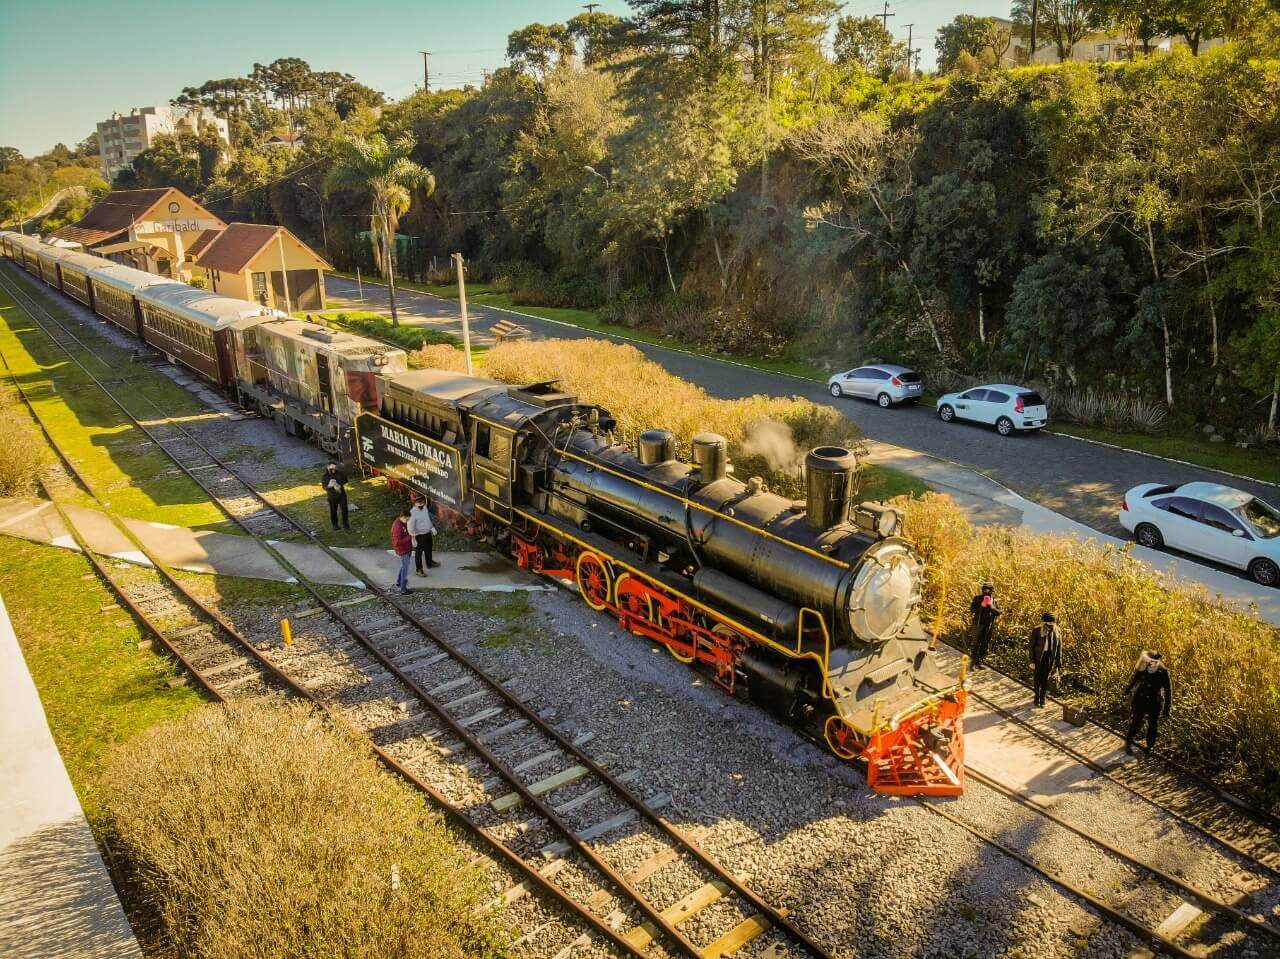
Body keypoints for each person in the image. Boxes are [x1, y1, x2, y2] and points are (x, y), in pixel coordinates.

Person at [1125, 650, 1172, 754]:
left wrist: (1167, 709)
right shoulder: (1144, 668)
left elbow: (1168, 691)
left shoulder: (1163, 672)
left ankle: (1150, 746)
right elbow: (1134, 679)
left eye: (1152, 661)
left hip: (1154, 702)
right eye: (1148, 661)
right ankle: (1128, 741)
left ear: (1157, 661)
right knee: (1136, 722)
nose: (1150, 663)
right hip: (1140, 699)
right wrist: (1127, 690)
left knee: (1152, 725)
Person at [1028, 612, 1062, 708]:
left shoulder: (1057, 631)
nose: (1050, 625)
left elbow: (1059, 647)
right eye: (1048, 623)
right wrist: (1031, 661)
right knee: (1037, 678)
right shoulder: (1037, 630)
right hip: (1039, 657)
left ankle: (1042, 698)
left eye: (1052, 623)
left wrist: (1059, 662)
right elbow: (1031, 646)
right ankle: (1036, 696)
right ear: (1044, 622)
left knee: (1045, 679)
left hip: (1049, 657)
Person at [968, 582, 1001, 669]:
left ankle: (979, 662)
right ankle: (972, 663)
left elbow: (999, 612)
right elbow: (972, 609)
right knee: (975, 644)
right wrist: (981, 606)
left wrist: (991, 606)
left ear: (991, 591)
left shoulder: (994, 601)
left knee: (984, 645)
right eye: (985, 589)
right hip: (979, 625)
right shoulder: (978, 599)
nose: (986, 591)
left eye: (988, 590)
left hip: (988, 626)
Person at [408, 495, 440, 575]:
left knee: (428, 549)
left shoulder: (424, 508)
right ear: (415, 503)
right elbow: (410, 527)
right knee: (418, 553)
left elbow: (427, 519)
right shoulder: (412, 513)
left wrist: (432, 527)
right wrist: (413, 538)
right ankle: (419, 569)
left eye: (422, 502)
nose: (421, 504)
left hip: (427, 533)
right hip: (419, 536)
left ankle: (429, 563)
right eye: (419, 503)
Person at [391, 507, 414, 595]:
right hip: (403, 550)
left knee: (404, 565)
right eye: (407, 519)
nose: (408, 521)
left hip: (406, 548)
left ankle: (398, 582)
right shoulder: (398, 527)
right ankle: (403, 589)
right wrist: (409, 537)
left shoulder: (401, 522)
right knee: (405, 568)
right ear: (403, 517)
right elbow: (396, 542)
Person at [321, 462, 350, 531]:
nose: (333, 470)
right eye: (332, 468)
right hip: (332, 496)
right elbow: (324, 487)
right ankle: (335, 525)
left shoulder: (339, 473)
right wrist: (329, 485)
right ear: (328, 467)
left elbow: (345, 480)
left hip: (342, 495)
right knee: (333, 511)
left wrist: (339, 483)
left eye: (334, 468)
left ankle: (345, 524)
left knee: (344, 510)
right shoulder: (325, 476)